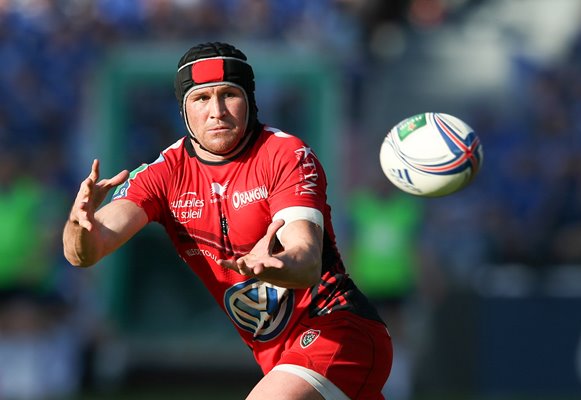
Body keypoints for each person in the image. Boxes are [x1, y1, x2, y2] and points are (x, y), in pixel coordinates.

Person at [63, 41, 392, 399]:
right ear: (184, 110)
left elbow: (307, 262)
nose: (216, 110)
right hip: (280, 355)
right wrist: (80, 225)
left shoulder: (285, 154)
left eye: (228, 95)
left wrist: (272, 265)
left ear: (250, 100)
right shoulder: (162, 174)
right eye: (201, 99)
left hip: (339, 331)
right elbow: (85, 253)